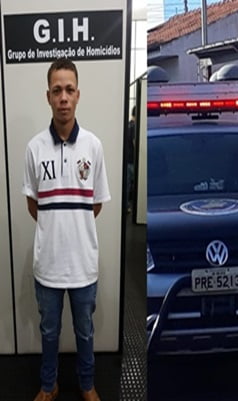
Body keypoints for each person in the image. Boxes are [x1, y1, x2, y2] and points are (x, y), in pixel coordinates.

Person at [22, 58, 110, 401]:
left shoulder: (93, 146)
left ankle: (87, 384)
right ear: (48, 96)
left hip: (83, 265)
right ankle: (49, 385)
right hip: (48, 265)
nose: (63, 97)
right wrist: (55, 228)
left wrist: (74, 227)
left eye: (69, 90)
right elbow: (34, 205)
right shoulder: (34, 148)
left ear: (78, 95)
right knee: (49, 332)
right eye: (56, 90)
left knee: (85, 332)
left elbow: (96, 204)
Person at [125, 106, 136, 213]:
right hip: (132, 160)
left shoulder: (127, 125)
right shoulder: (134, 127)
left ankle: (126, 206)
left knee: (127, 185)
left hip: (126, 159)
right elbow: (134, 142)